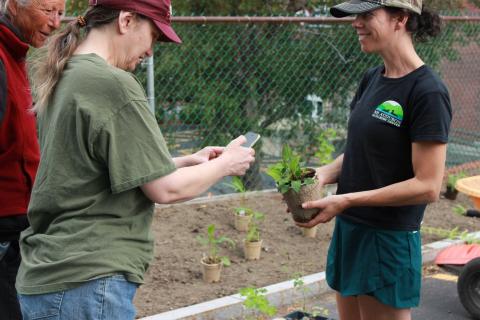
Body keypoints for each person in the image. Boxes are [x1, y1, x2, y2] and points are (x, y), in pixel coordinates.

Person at [15, 0, 255, 319]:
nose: (151, 52)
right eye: (154, 36)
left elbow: (87, 166)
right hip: (87, 281)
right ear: (127, 21)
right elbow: (166, 190)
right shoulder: (112, 83)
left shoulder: (67, 72)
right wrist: (226, 164)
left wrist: (185, 162)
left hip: (52, 278)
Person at [298, 1, 452, 319]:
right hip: (351, 230)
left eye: (367, 15)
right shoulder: (373, 77)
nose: (356, 23)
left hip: (387, 240)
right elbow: (361, 151)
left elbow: (428, 186)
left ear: (401, 18)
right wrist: (322, 174)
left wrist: (347, 200)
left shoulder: (427, 92)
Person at [0, 0, 64, 319]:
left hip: (17, 222)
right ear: (13, 4)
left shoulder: (15, 53)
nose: (55, 22)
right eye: (47, 10)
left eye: (61, 13)